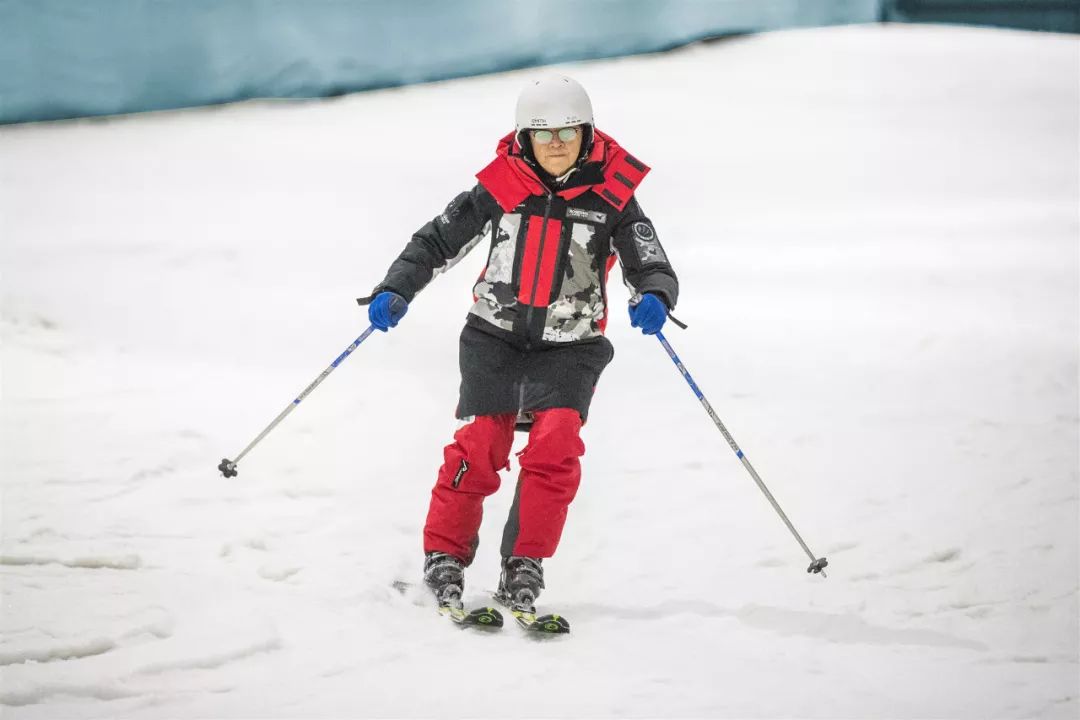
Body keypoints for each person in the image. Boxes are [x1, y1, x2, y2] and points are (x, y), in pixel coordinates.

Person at [359, 75, 679, 613]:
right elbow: (438, 239)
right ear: (524, 139)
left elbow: (649, 258)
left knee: (555, 447)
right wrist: (397, 287)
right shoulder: (503, 184)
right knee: (482, 443)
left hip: (571, 344)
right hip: (495, 337)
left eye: (566, 132)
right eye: (541, 134)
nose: (554, 144)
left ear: (587, 133)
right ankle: (445, 556)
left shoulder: (612, 195)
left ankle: (524, 563)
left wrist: (654, 294)